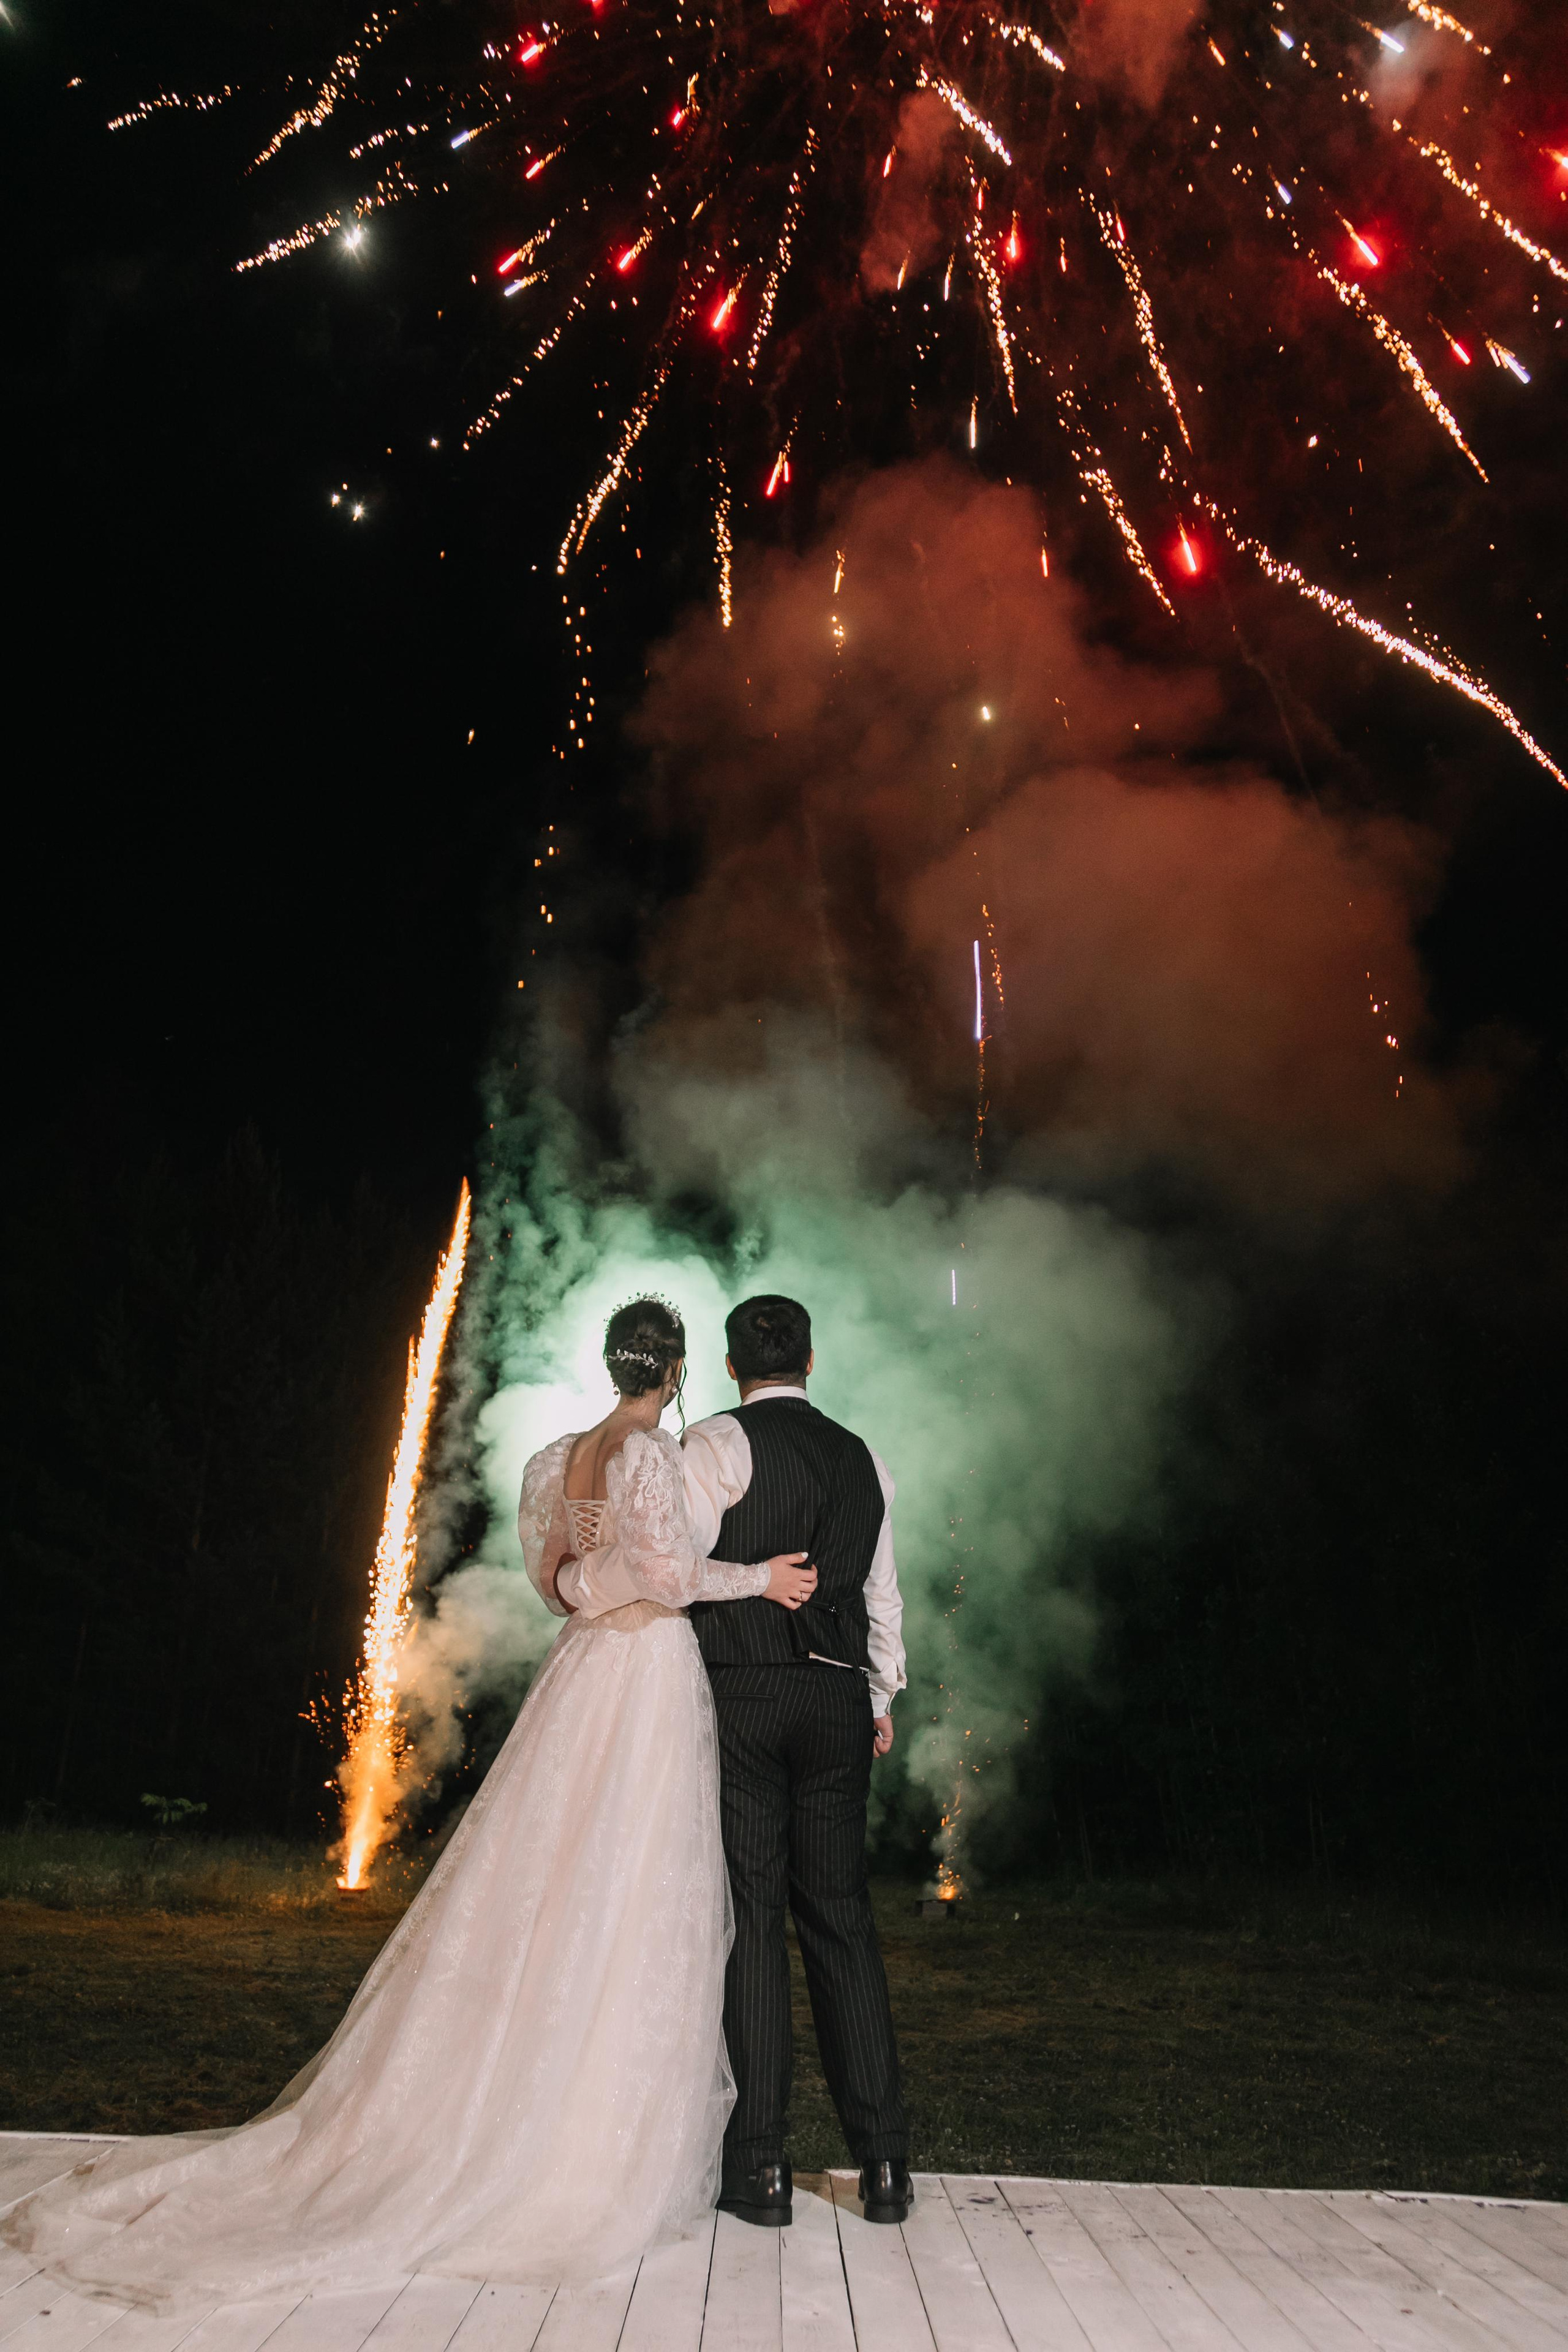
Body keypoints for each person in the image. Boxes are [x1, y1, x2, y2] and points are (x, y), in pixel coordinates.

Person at [4, 1298, 815, 2310]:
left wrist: (598, 1584)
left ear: (614, 1365)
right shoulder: (649, 1457)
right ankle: (582, 2132)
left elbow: (555, 1584)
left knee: (550, 1869)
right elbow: (661, 1573)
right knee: (634, 1878)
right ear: (679, 1367)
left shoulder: (557, 1458)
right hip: (646, 1675)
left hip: (583, 1676)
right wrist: (759, 1577)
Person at [566, 1293, 910, 2228]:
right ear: (812, 1359)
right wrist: (878, 1697)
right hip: (837, 1700)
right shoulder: (862, 1458)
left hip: (744, 1697)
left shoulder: (713, 1446)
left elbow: (675, 1560)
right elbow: (883, 1594)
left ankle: (757, 2169)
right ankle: (884, 2168)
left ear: (727, 1366)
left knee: (752, 1920)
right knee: (841, 1921)